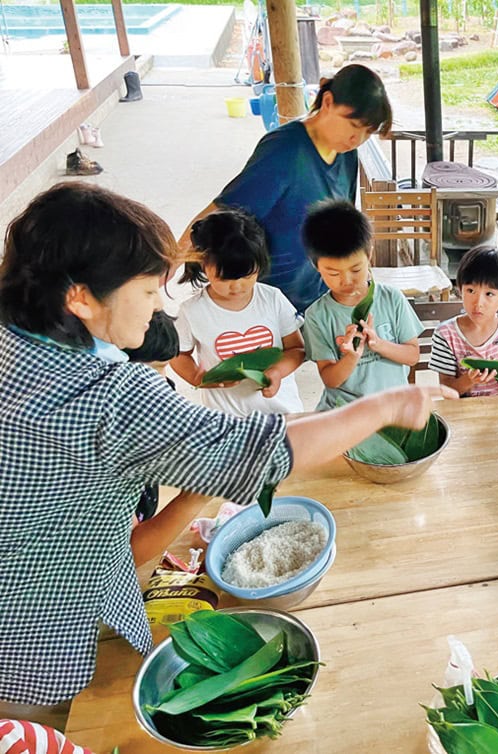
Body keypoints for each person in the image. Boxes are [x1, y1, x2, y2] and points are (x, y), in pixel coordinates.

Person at [0, 182, 454, 711]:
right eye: (148, 292)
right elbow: (263, 450)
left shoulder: (17, 342)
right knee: (76, 723)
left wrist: (196, 489)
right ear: (80, 297)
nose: (157, 310)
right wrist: (385, 406)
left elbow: (109, 532)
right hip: (40, 648)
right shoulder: (108, 394)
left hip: (38, 607)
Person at [180, 65, 392, 313]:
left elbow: (345, 227)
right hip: (273, 302)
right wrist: (171, 259)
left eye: (368, 132)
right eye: (354, 126)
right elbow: (222, 211)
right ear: (327, 102)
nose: (358, 139)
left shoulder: (347, 153)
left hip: (320, 296)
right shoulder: (285, 150)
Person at [170, 208, 305, 417]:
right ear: (203, 265)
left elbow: (296, 348)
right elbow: (180, 355)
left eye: (248, 276)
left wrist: (277, 372)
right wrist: (200, 378)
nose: (237, 287)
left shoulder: (272, 298)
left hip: (282, 413)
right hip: (226, 419)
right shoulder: (192, 311)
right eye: (225, 279)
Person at [301, 199, 422, 409]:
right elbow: (330, 379)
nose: (347, 280)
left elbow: (412, 356)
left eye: (356, 269)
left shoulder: (391, 298)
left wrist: (378, 344)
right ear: (316, 266)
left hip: (393, 408)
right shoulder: (317, 315)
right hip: (345, 412)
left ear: (370, 255)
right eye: (333, 273)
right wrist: (351, 356)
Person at [122, 311, 213, 566]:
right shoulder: (94, 447)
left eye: (163, 369)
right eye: (147, 373)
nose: (159, 385)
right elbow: (126, 556)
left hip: (145, 516)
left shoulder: (155, 398)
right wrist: (193, 498)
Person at [429, 245, 498, 397]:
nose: (478, 303)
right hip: (464, 413)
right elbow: (447, 389)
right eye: (470, 291)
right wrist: (469, 380)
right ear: (459, 289)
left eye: (489, 293)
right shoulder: (445, 334)